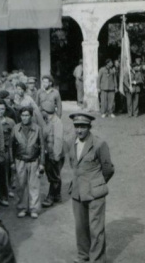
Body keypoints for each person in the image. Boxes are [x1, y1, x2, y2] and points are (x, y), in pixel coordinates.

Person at [66, 113, 114, 263]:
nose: (79, 130)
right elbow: (74, 164)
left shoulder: (99, 144)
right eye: (76, 126)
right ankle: (83, 256)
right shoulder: (70, 142)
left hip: (95, 193)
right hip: (78, 192)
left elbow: (108, 168)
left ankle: (97, 259)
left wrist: (97, 182)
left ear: (89, 127)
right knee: (80, 227)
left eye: (83, 127)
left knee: (96, 229)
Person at [10, 107, 45, 219]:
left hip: (34, 160)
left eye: (27, 115)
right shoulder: (16, 128)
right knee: (21, 185)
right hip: (20, 160)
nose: (25, 117)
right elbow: (11, 147)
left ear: (31, 116)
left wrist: (42, 163)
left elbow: (42, 147)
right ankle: (22, 208)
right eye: (23, 115)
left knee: (34, 186)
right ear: (20, 116)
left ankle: (34, 208)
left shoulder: (37, 129)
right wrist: (12, 162)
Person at [40, 101, 64, 208]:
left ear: (46, 111)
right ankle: (57, 195)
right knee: (54, 173)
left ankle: (50, 196)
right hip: (49, 152)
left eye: (42, 110)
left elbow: (58, 140)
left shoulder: (57, 122)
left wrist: (56, 155)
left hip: (54, 153)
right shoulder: (48, 120)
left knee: (53, 176)